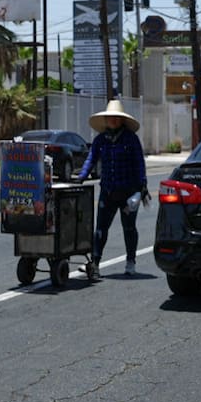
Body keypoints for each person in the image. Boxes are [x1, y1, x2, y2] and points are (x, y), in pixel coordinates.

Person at [77, 99, 149, 279]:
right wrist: (81, 177)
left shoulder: (131, 139)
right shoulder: (100, 140)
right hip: (107, 192)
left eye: (117, 118)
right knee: (100, 228)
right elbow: (91, 160)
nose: (114, 121)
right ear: (106, 120)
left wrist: (142, 186)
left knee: (129, 228)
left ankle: (130, 261)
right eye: (111, 118)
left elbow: (139, 163)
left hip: (128, 192)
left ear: (122, 120)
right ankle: (95, 263)